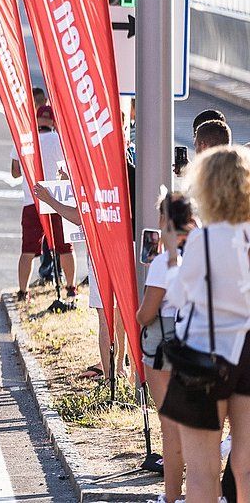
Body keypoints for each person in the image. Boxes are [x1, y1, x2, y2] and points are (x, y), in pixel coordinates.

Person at [160, 145, 250, 503]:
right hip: (248, 351)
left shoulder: (204, 239)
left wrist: (171, 255)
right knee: (246, 464)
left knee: (202, 470)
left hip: (204, 355)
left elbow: (178, 298)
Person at [138, 191, 195, 503]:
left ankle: (172, 498)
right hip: (190, 346)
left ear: (164, 220)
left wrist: (137, 313)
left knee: (170, 430)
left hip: (162, 351)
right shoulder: (193, 256)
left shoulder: (163, 262)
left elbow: (146, 314)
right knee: (188, 428)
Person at [12, 105, 76, 302]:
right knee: (65, 247)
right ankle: (71, 288)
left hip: (33, 199)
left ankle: (23, 292)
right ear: (54, 122)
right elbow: (70, 169)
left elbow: (15, 172)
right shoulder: (60, 140)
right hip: (58, 198)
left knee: (28, 250)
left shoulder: (23, 139)